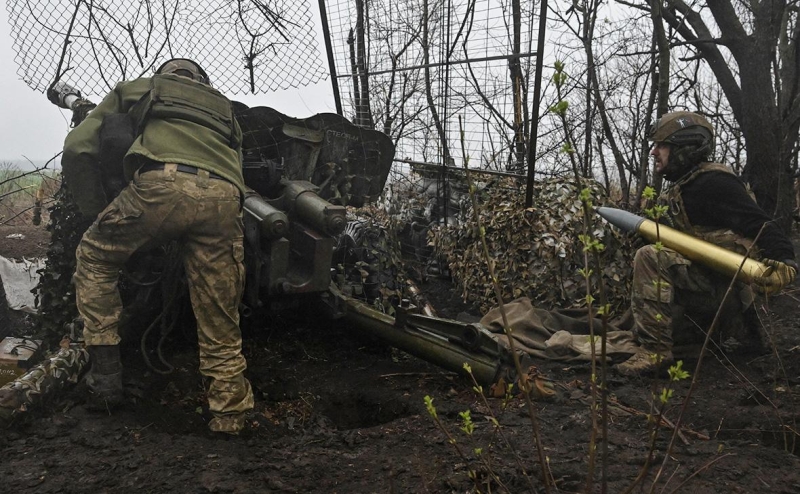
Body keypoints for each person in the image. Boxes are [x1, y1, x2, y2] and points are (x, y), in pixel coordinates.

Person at [59, 58, 254, 433]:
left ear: (164, 74)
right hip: (226, 198)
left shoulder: (141, 87)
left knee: (95, 256)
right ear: (201, 80)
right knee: (218, 308)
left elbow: (77, 146)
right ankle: (230, 413)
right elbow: (237, 164)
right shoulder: (223, 107)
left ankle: (105, 382)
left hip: (160, 187)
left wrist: (96, 211)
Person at [615, 111, 797, 376]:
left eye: (662, 146)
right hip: (717, 292)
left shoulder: (714, 183)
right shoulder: (684, 188)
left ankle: (655, 352)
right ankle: (740, 334)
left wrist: (785, 259)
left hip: (724, 292)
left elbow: (759, 224)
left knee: (649, 256)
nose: (654, 152)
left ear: (684, 148)